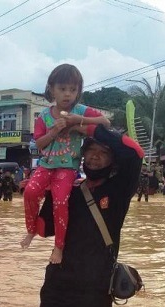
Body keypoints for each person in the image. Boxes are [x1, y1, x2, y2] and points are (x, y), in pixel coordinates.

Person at [32, 124, 144, 307]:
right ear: (82, 156)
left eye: (103, 152)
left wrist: (85, 125)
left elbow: (135, 154)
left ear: (113, 160)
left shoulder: (119, 189)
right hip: (57, 289)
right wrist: (42, 193)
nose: (95, 155)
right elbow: (44, 229)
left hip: (96, 292)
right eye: (91, 150)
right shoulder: (67, 190)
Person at [21, 63, 111, 264]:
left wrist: (77, 121)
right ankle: (31, 230)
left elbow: (105, 122)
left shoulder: (81, 110)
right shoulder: (44, 116)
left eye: (73, 89)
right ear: (51, 89)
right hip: (46, 165)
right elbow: (40, 145)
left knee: (60, 202)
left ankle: (58, 247)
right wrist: (54, 131)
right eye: (62, 89)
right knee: (30, 192)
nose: (67, 94)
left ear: (78, 91)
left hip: (67, 167)